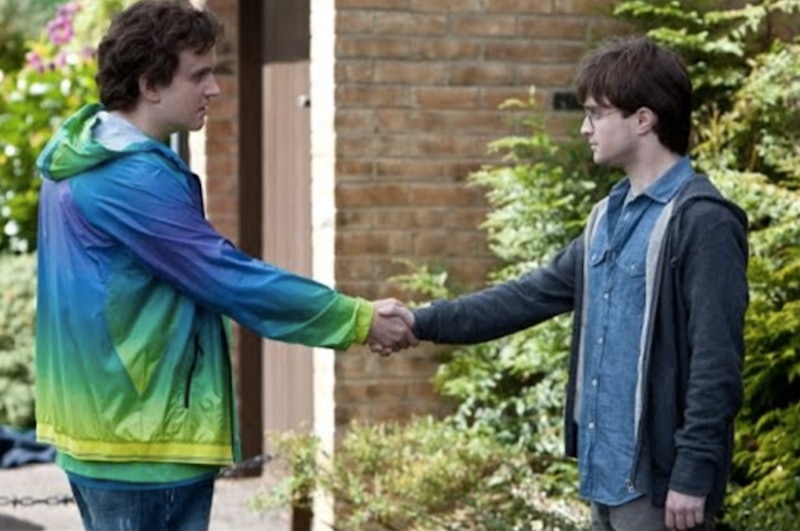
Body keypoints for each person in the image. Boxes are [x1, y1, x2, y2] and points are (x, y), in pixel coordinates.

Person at [34, 1, 414, 530]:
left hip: (104, 430)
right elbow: (228, 278)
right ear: (150, 84)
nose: (214, 88)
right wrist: (357, 318)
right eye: (200, 74)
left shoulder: (79, 157)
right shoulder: (129, 179)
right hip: (143, 439)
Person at [384, 36, 748, 530]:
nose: (584, 128)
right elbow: (526, 296)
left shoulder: (703, 222)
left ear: (644, 119)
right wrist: (420, 320)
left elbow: (716, 361)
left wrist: (694, 473)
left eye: (597, 113)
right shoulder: (606, 219)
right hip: (603, 480)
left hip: (660, 492)